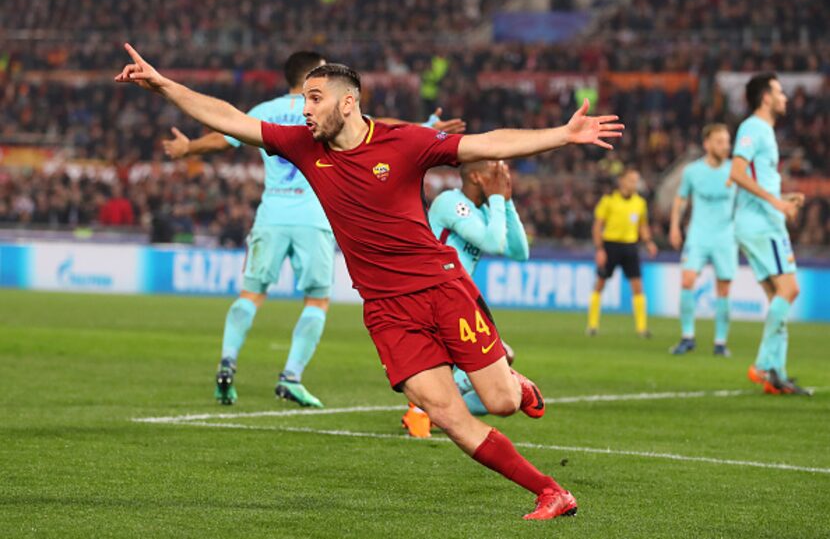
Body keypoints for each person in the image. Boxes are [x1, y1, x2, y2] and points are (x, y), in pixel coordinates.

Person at [116, 43, 623, 520]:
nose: (304, 110)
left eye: (315, 99)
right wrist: (163, 85)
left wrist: (563, 134)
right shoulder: (301, 146)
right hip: (386, 310)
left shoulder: (404, 143)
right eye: (302, 100)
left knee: (502, 404)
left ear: (348, 102)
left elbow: (486, 144)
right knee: (445, 414)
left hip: (441, 289)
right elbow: (229, 118)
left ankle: (513, 381)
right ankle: (550, 490)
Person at [162, 51, 465, 407]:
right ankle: (291, 376)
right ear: (309, 75)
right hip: (314, 218)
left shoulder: (265, 111)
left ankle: (227, 362)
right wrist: (424, 128)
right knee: (317, 300)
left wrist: (189, 148)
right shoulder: (327, 112)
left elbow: (225, 135)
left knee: (251, 295)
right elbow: (376, 125)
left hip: (271, 215)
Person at [401, 159, 529, 438]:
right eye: (494, 172)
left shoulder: (484, 212)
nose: (501, 177)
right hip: (430, 296)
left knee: (503, 357)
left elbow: (520, 252)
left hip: (455, 300)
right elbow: (494, 243)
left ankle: (432, 411)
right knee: (496, 360)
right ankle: (425, 408)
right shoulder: (450, 202)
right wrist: (496, 199)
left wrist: (505, 203)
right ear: (477, 177)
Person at [728, 72, 810, 395]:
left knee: (779, 297)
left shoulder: (765, 131)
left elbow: (756, 178)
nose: (785, 98)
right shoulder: (753, 128)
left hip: (758, 220)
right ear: (766, 98)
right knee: (790, 290)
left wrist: (784, 197)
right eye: (779, 92)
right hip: (762, 224)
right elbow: (736, 172)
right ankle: (764, 365)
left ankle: (777, 375)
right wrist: (777, 202)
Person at [668, 124, 736, 357]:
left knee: (723, 289)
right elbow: (680, 199)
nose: (725, 146)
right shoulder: (692, 171)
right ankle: (688, 337)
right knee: (687, 281)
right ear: (706, 144)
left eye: (727, 141)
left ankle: (720, 342)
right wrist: (675, 226)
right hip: (698, 234)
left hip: (726, 236)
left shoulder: (735, 171)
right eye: (719, 141)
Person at [587, 169, 657, 337]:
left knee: (638, 287)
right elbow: (597, 226)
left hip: (630, 247)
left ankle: (641, 329)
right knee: (600, 284)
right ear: (622, 181)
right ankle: (592, 325)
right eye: (632, 180)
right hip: (610, 246)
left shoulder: (640, 203)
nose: (635, 184)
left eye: (637, 180)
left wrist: (648, 242)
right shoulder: (609, 200)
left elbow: (642, 225)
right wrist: (599, 249)